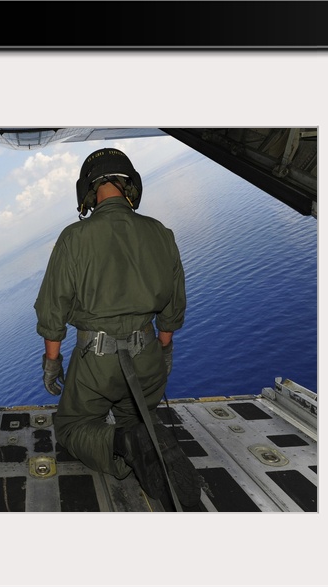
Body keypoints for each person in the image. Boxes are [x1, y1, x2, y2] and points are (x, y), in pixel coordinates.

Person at [33, 147, 204, 511]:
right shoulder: (160, 232)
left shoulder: (74, 238)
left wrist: (52, 364)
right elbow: (173, 307)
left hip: (97, 363)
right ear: (130, 187)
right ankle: (142, 439)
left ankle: (123, 446)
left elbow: (52, 311)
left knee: (72, 427)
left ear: (88, 192)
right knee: (137, 413)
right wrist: (165, 349)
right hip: (148, 357)